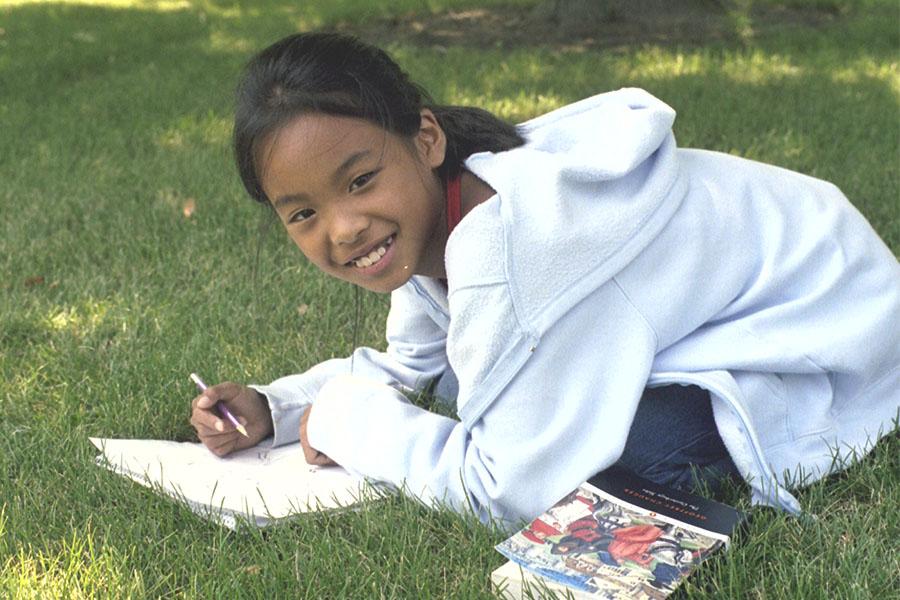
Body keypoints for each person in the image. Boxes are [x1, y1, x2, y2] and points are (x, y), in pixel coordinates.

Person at [189, 32, 900, 526]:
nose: (343, 228)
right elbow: (411, 368)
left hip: (829, 333)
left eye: (361, 180)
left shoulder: (512, 245)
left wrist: (351, 425)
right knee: (480, 384)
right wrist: (277, 407)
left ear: (425, 139)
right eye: (304, 212)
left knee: (618, 462)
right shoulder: (438, 212)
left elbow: (512, 488)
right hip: (742, 305)